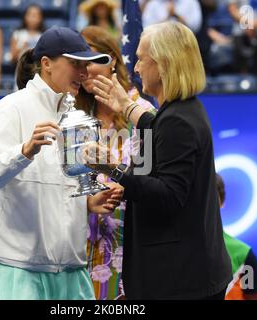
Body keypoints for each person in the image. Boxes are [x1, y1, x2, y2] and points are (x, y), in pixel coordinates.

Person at [0, 26, 123, 300]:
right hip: (17, 274)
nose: (85, 73)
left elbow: (60, 188)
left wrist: (87, 203)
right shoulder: (11, 108)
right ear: (46, 64)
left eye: (86, 65)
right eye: (76, 64)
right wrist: (23, 151)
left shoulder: (76, 117)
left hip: (73, 276)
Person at [84, 21, 232, 299]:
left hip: (180, 282)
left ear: (163, 64)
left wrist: (112, 170)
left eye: (141, 59)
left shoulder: (178, 120)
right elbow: (160, 133)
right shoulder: (182, 111)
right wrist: (128, 108)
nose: (136, 68)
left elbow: (168, 196)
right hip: (187, 274)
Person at [77, 25, 153, 300]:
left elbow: (150, 180)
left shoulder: (142, 113)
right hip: (83, 246)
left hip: (131, 243)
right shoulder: (76, 116)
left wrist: (118, 181)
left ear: (112, 60)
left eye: (92, 59)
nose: (83, 69)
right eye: (78, 62)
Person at [216, 174, 257, 300]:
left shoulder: (243, 255)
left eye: (210, 196)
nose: (203, 203)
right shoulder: (169, 251)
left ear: (221, 201)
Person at [228, 0, 257, 90]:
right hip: (240, 32)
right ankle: (241, 100)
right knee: (241, 70)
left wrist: (255, 25)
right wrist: (248, 24)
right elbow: (232, 8)